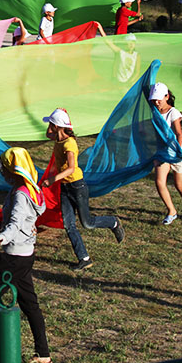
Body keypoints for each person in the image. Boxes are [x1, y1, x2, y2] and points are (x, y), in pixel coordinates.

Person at [0, 132, 50, 363]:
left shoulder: (20, 196)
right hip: (26, 254)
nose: (3, 171)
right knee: (29, 304)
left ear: (13, 171)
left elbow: (15, 222)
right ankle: (43, 354)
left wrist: (2, 238)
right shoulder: (31, 188)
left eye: (5, 168)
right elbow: (6, 172)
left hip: (13, 257)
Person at [40, 108, 125, 271]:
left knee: (87, 223)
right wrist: (55, 121)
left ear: (56, 126)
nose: (49, 127)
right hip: (65, 187)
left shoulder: (69, 144)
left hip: (77, 186)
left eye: (51, 124)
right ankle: (84, 258)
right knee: (69, 224)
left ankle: (113, 222)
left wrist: (52, 179)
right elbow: (48, 134)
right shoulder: (57, 139)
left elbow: (71, 168)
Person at [149, 83, 182, 225]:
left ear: (166, 97)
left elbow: (179, 134)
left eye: (159, 99)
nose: (157, 102)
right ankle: (171, 210)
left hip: (176, 153)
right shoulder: (154, 113)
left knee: (179, 184)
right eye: (154, 100)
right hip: (162, 153)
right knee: (159, 182)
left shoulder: (172, 112)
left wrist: (178, 150)